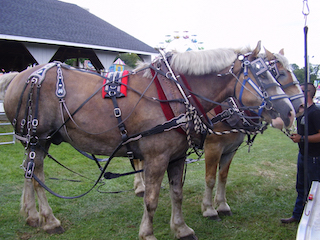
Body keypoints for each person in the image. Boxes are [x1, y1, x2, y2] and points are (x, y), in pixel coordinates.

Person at [281, 83, 320, 224]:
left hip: (314, 158)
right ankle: (297, 215)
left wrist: (302, 138)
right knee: (301, 186)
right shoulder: (303, 112)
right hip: (303, 155)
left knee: (313, 189)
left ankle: (314, 219)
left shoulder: (315, 112)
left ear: (306, 93)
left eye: (299, 91)